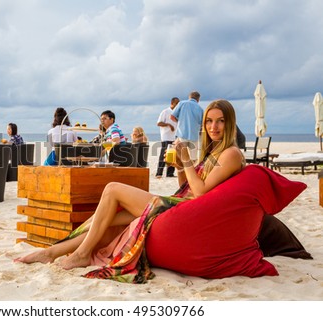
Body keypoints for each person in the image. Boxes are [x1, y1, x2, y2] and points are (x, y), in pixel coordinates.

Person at [15, 99, 245, 283]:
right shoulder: (215, 151)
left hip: (187, 211)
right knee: (109, 220)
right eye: (209, 121)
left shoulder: (232, 154)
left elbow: (202, 193)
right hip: (182, 203)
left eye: (220, 121)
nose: (214, 127)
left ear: (230, 123)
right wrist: (180, 169)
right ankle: (51, 253)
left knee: (112, 189)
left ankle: (81, 254)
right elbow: (188, 188)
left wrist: (186, 160)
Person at [156, 97, 179, 178]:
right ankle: (159, 173)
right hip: (166, 137)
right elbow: (158, 123)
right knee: (163, 155)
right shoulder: (165, 111)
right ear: (172, 103)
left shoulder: (177, 113)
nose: (177, 105)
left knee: (173, 155)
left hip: (175, 137)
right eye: (176, 103)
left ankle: (170, 173)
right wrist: (169, 125)